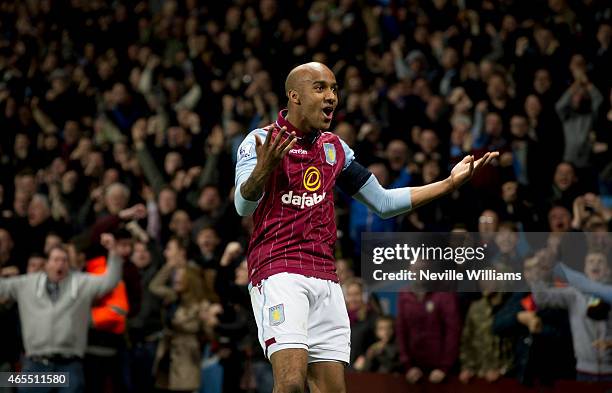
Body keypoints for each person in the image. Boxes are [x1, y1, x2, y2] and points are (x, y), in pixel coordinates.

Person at [234, 62, 498, 393]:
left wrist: (448, 183)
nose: (331, 96)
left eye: (334, 89)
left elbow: (384, 203)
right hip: (279, 269)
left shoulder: (334, 149)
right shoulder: (260, 141)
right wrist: (264, 170)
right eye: (320, 88)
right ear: (294, 96)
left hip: (326, 276)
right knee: (290, 385)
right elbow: (242, 205)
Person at [0, 233, 122, 393]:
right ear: (47, 264)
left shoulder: (81, 283)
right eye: (56, 260)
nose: (61, 264)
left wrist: (113, 251)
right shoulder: (25, 284)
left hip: (69, 364)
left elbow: (110, 281)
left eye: (64, 260)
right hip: (35, 364)